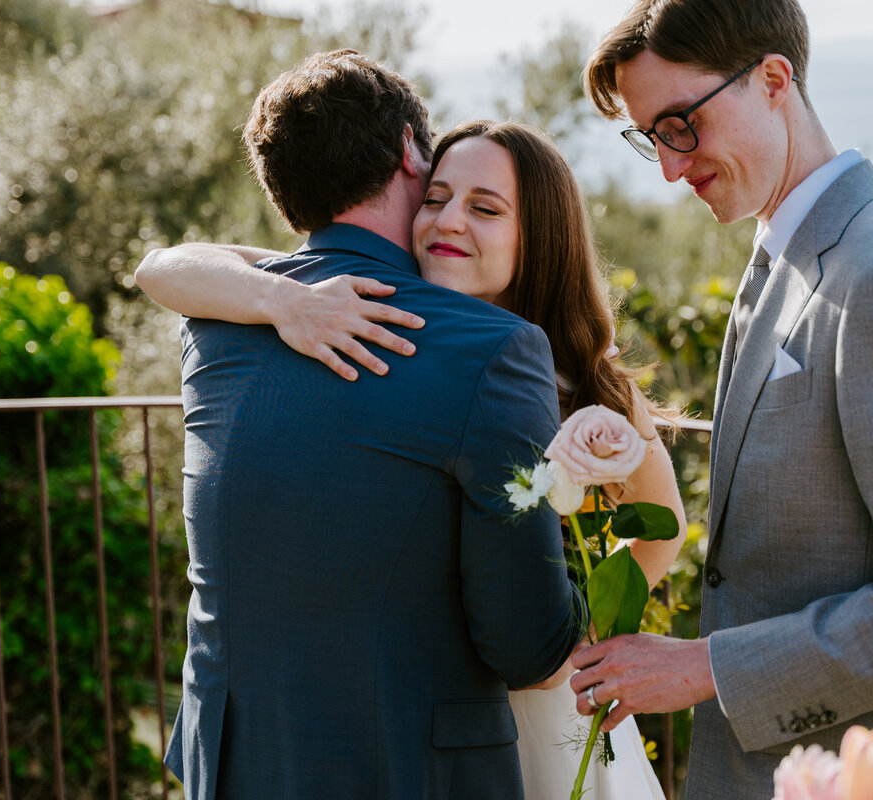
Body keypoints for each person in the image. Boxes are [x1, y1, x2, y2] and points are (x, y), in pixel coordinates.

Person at [138, 118, 687, 798]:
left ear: (538, 235)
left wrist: (587, 635)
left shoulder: (587, 382)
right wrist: (284, 300)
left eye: (485, 208)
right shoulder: (355, 312)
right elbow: (172, 264)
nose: (448, 221)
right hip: (426, 715)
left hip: (548, 710)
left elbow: (664, 525)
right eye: (435, 198)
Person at [565, 1, 873, 798]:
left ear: (773, 79)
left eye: (683, 124)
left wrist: (708, 668)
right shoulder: (788, 249)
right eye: (653, 139)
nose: (673, 167)